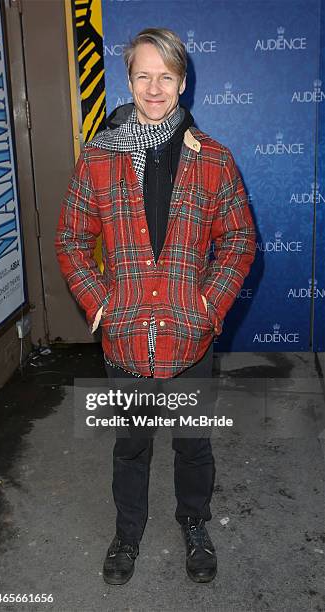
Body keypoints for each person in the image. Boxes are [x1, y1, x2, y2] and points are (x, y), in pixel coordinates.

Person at [55, 27, 256, 585]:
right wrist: (101, 306)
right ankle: (127, 533)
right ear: (129, 80)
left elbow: (239, 240)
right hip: (125, 340)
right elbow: (70, 239)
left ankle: (194, 523)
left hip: (191, 340)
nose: (154, 87)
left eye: (166, 76)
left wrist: (208, 307)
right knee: (131, 448)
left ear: (183, 83)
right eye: (143, 75)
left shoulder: (213, 159)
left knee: (194, 445)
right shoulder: (98, 157)